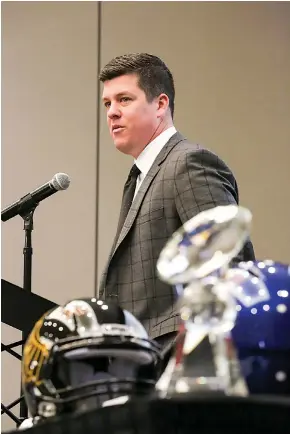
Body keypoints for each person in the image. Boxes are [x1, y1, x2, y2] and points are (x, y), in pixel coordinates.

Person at [98, 53, 255, 350]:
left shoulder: (188, 163)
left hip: (179, 358)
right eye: (107, 103)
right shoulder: (140, 175)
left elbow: (230, 269)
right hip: (141, 360)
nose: (112, 112)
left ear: (160, 104)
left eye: (124, 100)